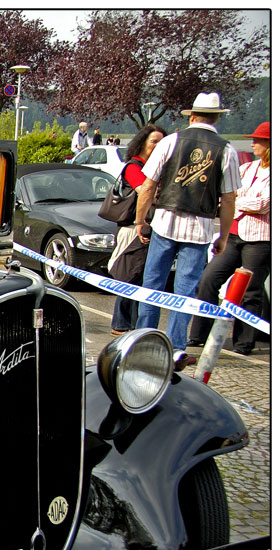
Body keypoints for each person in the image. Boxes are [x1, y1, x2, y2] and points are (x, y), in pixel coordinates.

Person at [132, 92, 241, 369]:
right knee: (184, 291)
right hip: (199, 228)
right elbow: (229, 199)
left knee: (152, 285)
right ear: (217, 118)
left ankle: (144, 338)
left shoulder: (170, 141)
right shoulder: (226, 150)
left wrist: (140, 220)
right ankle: (176, 346)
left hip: (165, 221)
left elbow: (148, 185)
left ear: (191, 116)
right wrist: (224, 236)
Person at [188, 122, 270, 355]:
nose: (252, 143)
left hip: (261, 239)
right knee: (208, 280)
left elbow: (262, 204)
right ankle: (198, 335)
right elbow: (230, 193)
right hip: (235, 234)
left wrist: (234, 204)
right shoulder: (248, 168)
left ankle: (244, 343)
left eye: (258, 140)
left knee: (251, 290)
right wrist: (234, 202)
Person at [108, 123, 167, 335]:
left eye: (162, 142)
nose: (158, 146)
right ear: (142, 143)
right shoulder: (134, 167)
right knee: (129, 275)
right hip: (133, 228)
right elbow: (145, 192)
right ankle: (122, 325)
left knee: (140, 277)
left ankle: (130, 325)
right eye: (154, 141)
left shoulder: (158, 168)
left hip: (149, 228)